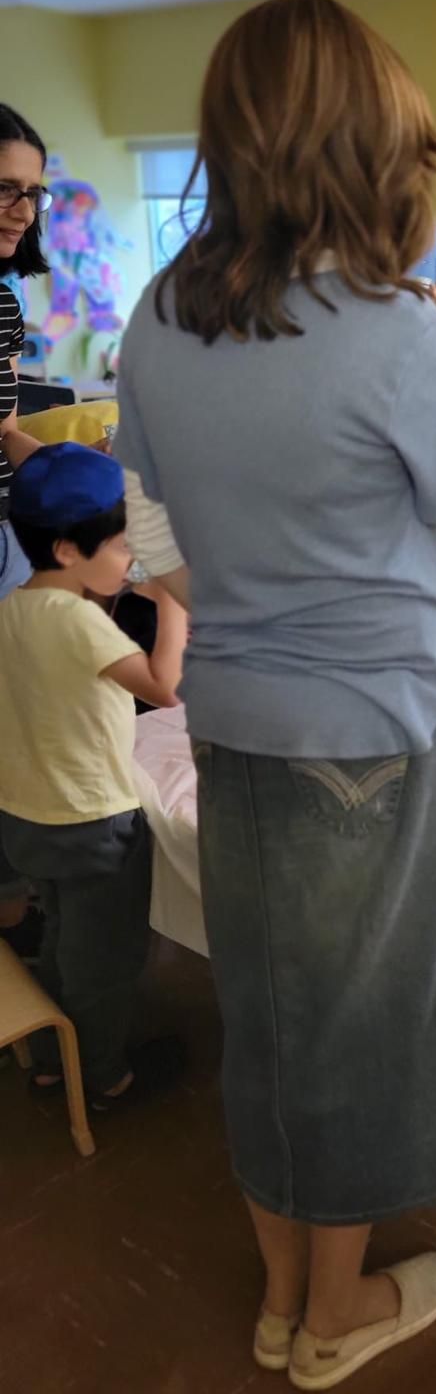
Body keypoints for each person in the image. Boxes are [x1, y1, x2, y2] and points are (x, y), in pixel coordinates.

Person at [112, 0, 436, 1389]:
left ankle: (283, 1297)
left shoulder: (159, 314)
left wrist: (262, 575)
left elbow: (157, 538)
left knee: (274, 1017)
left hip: (229, 723)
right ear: (358, 151)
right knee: (361, 1026)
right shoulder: (398, 332)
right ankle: (332, 1315)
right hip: (373, 736)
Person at [0, 443, 187, 1107]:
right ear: (69, 551)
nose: (132, 559)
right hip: (94, 824)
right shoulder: (79, 621)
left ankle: (56, 1062)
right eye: (122, 545)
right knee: (104, 960)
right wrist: (172, 603)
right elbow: (164, 685)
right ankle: (107, 1078)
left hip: (27, 816)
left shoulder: (15, 606)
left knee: (59, 942)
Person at [0, 103, 52, 601]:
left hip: (7, 536)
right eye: (5, 190)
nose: (24, 212)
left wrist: (65, 464)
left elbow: (7, 432)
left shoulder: (3, 305)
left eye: (34, 194)